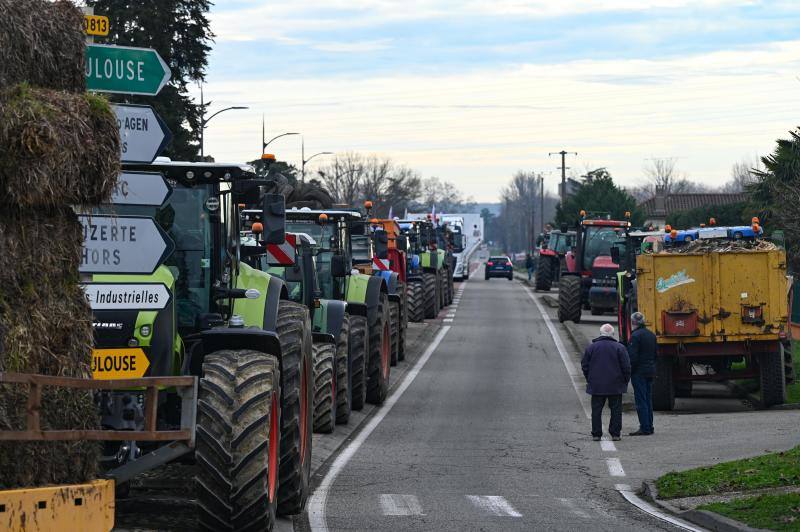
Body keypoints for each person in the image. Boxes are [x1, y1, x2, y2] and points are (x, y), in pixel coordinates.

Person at [581, 323, 631, 441]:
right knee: (616, 409)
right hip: (616, 384)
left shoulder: (591, 347)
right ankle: (615, 434)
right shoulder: (620, 347)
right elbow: (626, 367)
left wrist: (590, 378)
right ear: (612, 334)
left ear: (600, 333)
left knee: (596, 410)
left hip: (597, 385)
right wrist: (625, 380)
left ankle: (597, 434)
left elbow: (585, 366)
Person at [628, 312, 657, 436]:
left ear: (633, 322)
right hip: (650, 370)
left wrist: (629, 371)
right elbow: (656, 354)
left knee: (641, 400)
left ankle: (644, 427)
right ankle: (649, 426)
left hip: (639, 372)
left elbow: (632, 357)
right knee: (648, 399)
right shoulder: (651, 335)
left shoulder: (635, 336)